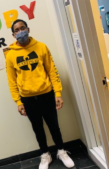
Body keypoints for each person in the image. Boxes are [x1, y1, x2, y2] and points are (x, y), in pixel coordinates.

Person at [5, 19, 75, 169]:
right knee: (37, 129)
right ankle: (45, 154)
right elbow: (11, 81)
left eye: (22, 28)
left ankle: (61, 151)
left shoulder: (41, 47)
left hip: (46, 95)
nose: (20, 31)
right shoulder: (10, 55)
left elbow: (52, 72)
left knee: (54, 126)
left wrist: (57, 93)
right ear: (13, 35)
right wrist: (18, 102)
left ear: (28, 30)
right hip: (28, 99)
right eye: (17, 30)